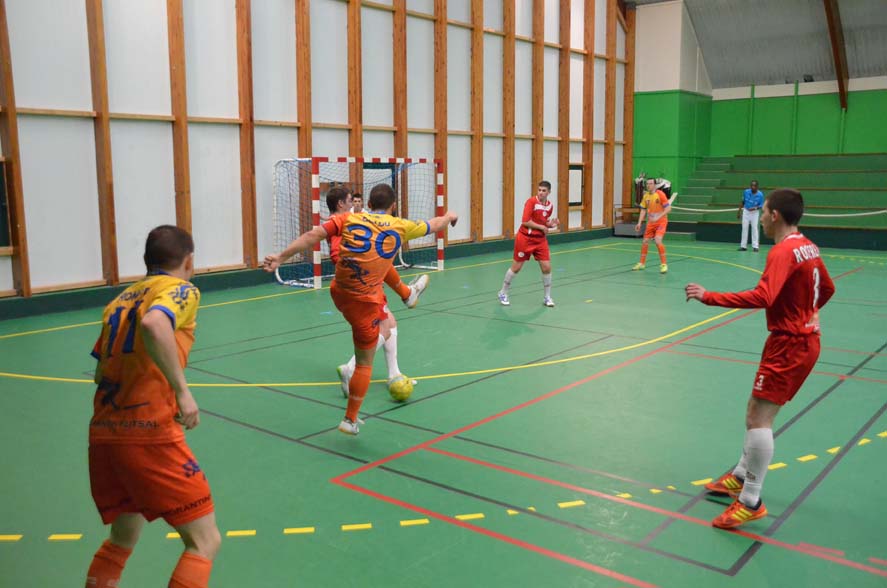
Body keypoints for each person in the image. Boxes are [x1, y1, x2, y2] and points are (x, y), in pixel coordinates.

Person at [685, 189, 835, 529]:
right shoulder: (808, 246)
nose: (761, 216)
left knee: (758, 418)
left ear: (775, 215)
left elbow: (763, 296)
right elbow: (827, 289)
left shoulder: (782, 251)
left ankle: (750, 500)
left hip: (790, 344)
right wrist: (807, 313)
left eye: (764, 211)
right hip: (798, 341)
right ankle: (741, 476)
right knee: (757, 410)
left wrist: (710, 297)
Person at [85, 226, 221, 588]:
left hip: (105, 433)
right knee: (205, 541)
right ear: (189, 261)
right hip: (148, 433)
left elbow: (100, 372)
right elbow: (154, 322)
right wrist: (181, 392)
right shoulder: (181, 289)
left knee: (122, 538)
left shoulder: (119, 301)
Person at [264, 184, 458, 435]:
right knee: (365, 363)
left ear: (368, 203)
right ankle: (350, 418)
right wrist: (449, 216)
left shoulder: (349, 218)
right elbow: (435, 224)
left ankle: (407, 296)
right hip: (365, 301)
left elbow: (313, 235)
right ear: (393, 206)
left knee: (387, 319)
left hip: (339, 292)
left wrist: (281, 256)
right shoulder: (400, 226)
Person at [322, 187, 424, 396]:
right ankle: (351, 368)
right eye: (350, 200)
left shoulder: (351, 221)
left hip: (367, 284)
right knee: (384, 329)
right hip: (363, 289)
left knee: (390, 323)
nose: (354, 203)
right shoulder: (343, 224)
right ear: (341, 204)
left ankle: (394, 374)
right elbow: (337, 255)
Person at [497, 180, 559, 307]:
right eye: (539, 190)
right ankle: (503, 292)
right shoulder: (531, 202)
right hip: (525, 239)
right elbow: (525, 221)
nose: (541, 193)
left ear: (549, 192)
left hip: (540, 240)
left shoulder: (550, 206)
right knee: (516, 268)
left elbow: (543, 221)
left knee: (547, 267)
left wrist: (550, 225)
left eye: (544, 191)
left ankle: (547, 297)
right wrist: (542, 227)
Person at [633, 177, 674, 274]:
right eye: (647, 184)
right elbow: (643, 210)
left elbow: (668, 209)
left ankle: (664, 264)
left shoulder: (660, 194)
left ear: (655, 185)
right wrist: (639, 222)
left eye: (651, 183)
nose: (648, 185)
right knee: (645, 241)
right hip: (651, 223)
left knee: (658, 240)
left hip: (661, 222)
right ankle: (641, 263)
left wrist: (658, 217)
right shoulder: (646, 196)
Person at [738, 180, 765, 252]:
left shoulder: (760, 195)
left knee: (754, 228)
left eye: (754, 186)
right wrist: (739, 212)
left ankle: (755, 247)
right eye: (752, 185)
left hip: (754, 213)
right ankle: (743, 246)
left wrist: (754, 208)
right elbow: (742, 202)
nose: (753, 187)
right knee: (744, 228)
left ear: (757, 187)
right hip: (746, 211)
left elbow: (761, 205)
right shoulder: (746, 192)